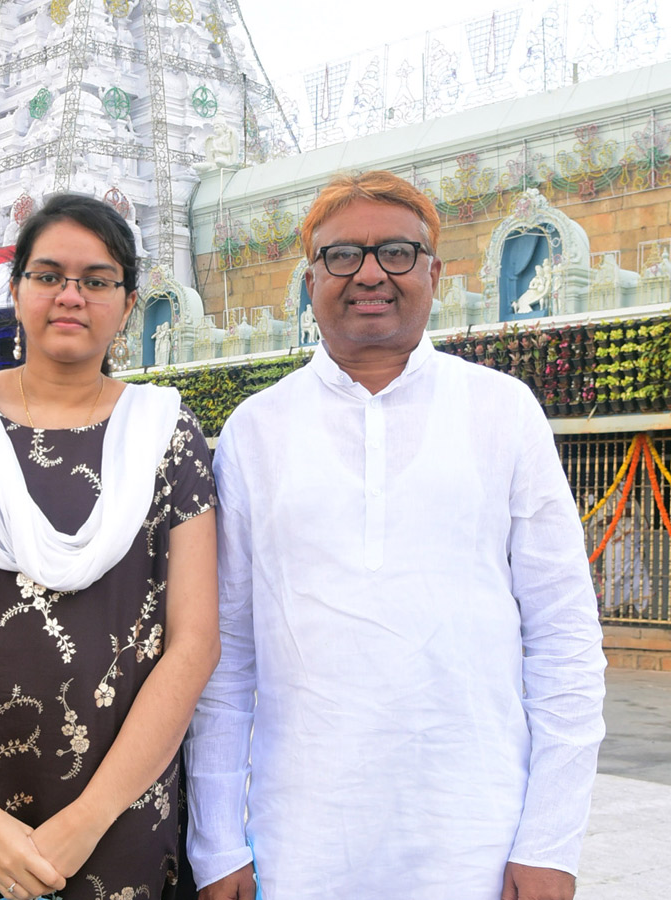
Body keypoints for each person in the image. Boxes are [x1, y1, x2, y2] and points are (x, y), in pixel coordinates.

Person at [185, 171, 606, 900]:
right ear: (309, 279)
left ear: (436, 273)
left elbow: (564, 638)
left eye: (398, 253)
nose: (371, 272)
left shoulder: (503, 411)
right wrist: (218, 843)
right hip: (299, 845)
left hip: (476, 838)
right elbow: (226, 660)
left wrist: (552, 841)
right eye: (342, 255)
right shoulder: (255, 431)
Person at [0, 194, 219, 900]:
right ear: (16, 290)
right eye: (49, 274)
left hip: (123, 806)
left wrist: (89, 820)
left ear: (127, 304)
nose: (71, 295)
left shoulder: (166, 432)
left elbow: (195, 642)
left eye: (97, 280)